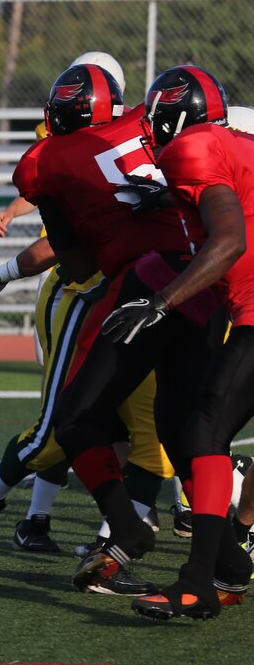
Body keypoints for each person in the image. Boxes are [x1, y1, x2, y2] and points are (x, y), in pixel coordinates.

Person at [10, 62, 232, 601]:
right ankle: (226, 560)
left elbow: (79, 263)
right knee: (186, 436)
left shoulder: (44, 160)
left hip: (145, 284)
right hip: (206, 283)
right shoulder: (149, 126)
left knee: (76, 418)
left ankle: (126, 525)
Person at [0, 55, 171, 596]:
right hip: (85, 293)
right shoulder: (61, 157)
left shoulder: (142, 132)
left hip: (150, 297)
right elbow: (67, 254)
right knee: (58, 432)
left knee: (155, 439)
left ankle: (113, 553)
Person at [105, 65, 254, 619]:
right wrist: (168, 203)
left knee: (205, 430)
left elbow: (231, 237)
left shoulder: (188, 149)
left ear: (173, 114)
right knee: (198, 428)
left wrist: (161, 301)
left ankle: (198, 582)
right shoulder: (231, 143)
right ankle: (230, 566)